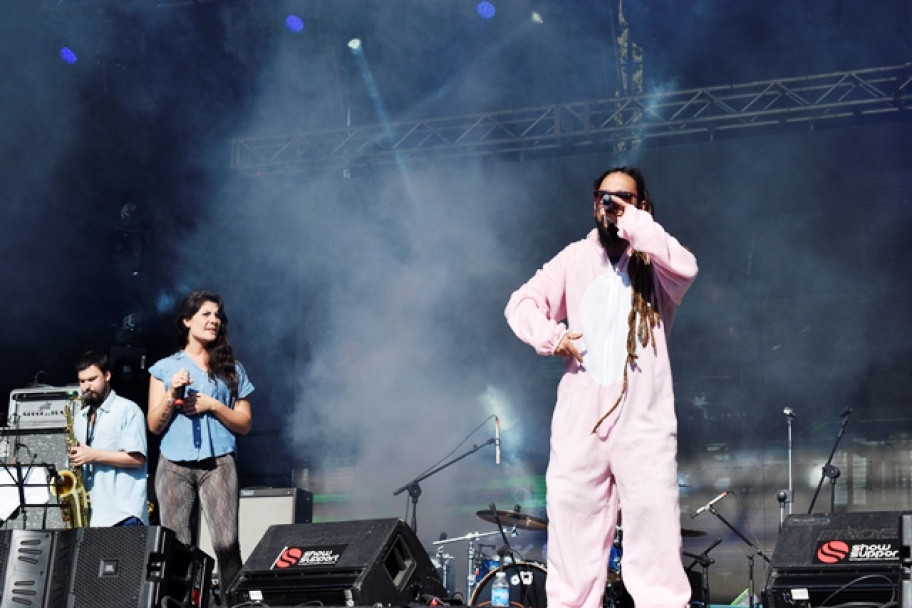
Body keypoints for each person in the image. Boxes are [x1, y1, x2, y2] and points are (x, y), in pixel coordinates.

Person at [504, 166, 698, 608]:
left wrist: (632, 222)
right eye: (603, 198)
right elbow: (520, 304)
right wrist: (553, 338)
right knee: (573, 547)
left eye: (623, 198)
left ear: (642, 206)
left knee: (656, 550)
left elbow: (687, 267)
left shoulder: (658, 262)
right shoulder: (575, 258)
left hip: (643, 423)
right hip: (580, 425)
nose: (610, 206)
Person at [147, 290, 254, 600]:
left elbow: (245, 423)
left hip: (218, 462)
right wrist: (172, 393)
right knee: (177, 548)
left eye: (217, 315)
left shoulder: (232, 368)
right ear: (186, 320)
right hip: (174, 465)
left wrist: (213, 406)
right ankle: (177, 603)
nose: (214, 320)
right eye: (206, 314)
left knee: (226, 542)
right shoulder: (164, 368)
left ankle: (236, 602)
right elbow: (155, 425)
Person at [71, 350, 148, 527]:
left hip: (122, 514)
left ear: (107, 375)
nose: (86, 387)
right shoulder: (80, 418)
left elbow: (138, 459)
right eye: (82, 381)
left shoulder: (128, 410)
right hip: (92, 514)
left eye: (92, 379)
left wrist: (93, 455)